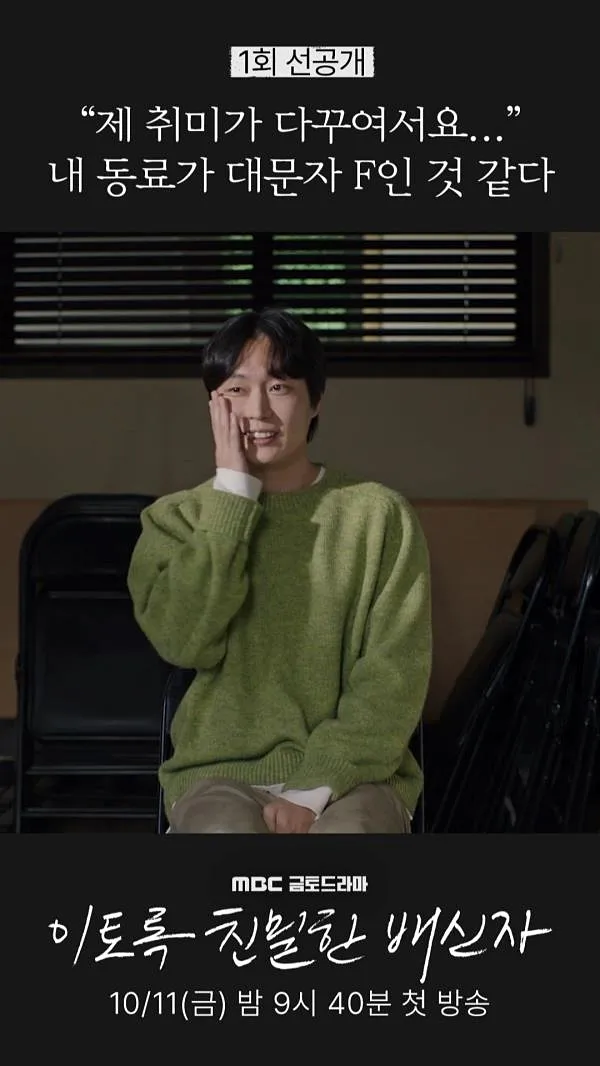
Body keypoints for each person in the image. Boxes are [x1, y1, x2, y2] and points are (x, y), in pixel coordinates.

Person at [127, 308, 432, 833]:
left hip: (357, 777)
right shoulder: (177, 518)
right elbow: (184, 643)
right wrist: (232, 496)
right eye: (236, 389)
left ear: (316, 401)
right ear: (213, 404)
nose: (258, 410)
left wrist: (315, 787)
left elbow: (394, 675)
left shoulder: (379, 516)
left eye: (280, 387)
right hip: (219, 772)